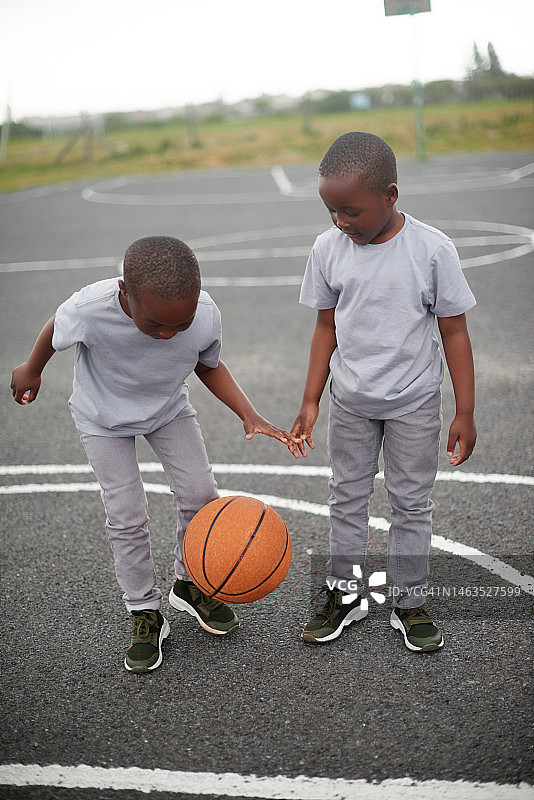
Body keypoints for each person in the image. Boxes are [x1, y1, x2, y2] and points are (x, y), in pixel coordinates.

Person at [11, 235, 297, 673]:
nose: (168, 334)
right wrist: (32, 368)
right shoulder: (91, 308)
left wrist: (249, 413)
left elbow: (207, 364)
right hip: (102, 419)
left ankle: (190, 583)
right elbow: (56, 327)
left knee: (201, 495)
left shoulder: (204, 314)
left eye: (180, 324)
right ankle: (144, 610)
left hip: (167, 409)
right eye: (156, 325)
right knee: (126, 513)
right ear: (125, 293)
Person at [291, 132, 476, 652]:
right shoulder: (327, 249)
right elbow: (325, 327)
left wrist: (465, 410)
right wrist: (311, 399)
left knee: (411, 503)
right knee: (346, 496)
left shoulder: (431, 250)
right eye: (331, 211)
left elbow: (455, 332)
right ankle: (346, 592)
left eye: (351, 211)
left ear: (390, 195)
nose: (339, 222)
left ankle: (409, 601)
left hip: (413, 402)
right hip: (350, 402)